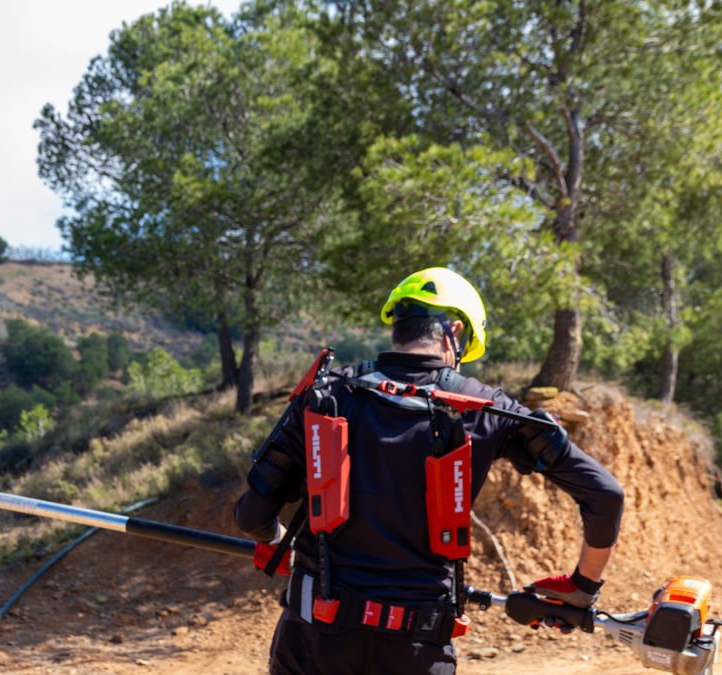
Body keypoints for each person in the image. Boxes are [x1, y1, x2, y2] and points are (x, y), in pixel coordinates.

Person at [235, 267, 624, 675]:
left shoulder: (326, 392)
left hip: (312, 641)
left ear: (398, 326)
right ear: (454, 329)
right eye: (466, 345)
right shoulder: (489, 409)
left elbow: (252, 518)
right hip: (415, 650)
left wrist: (281, 541)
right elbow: (605, 495)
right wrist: (582, 588)